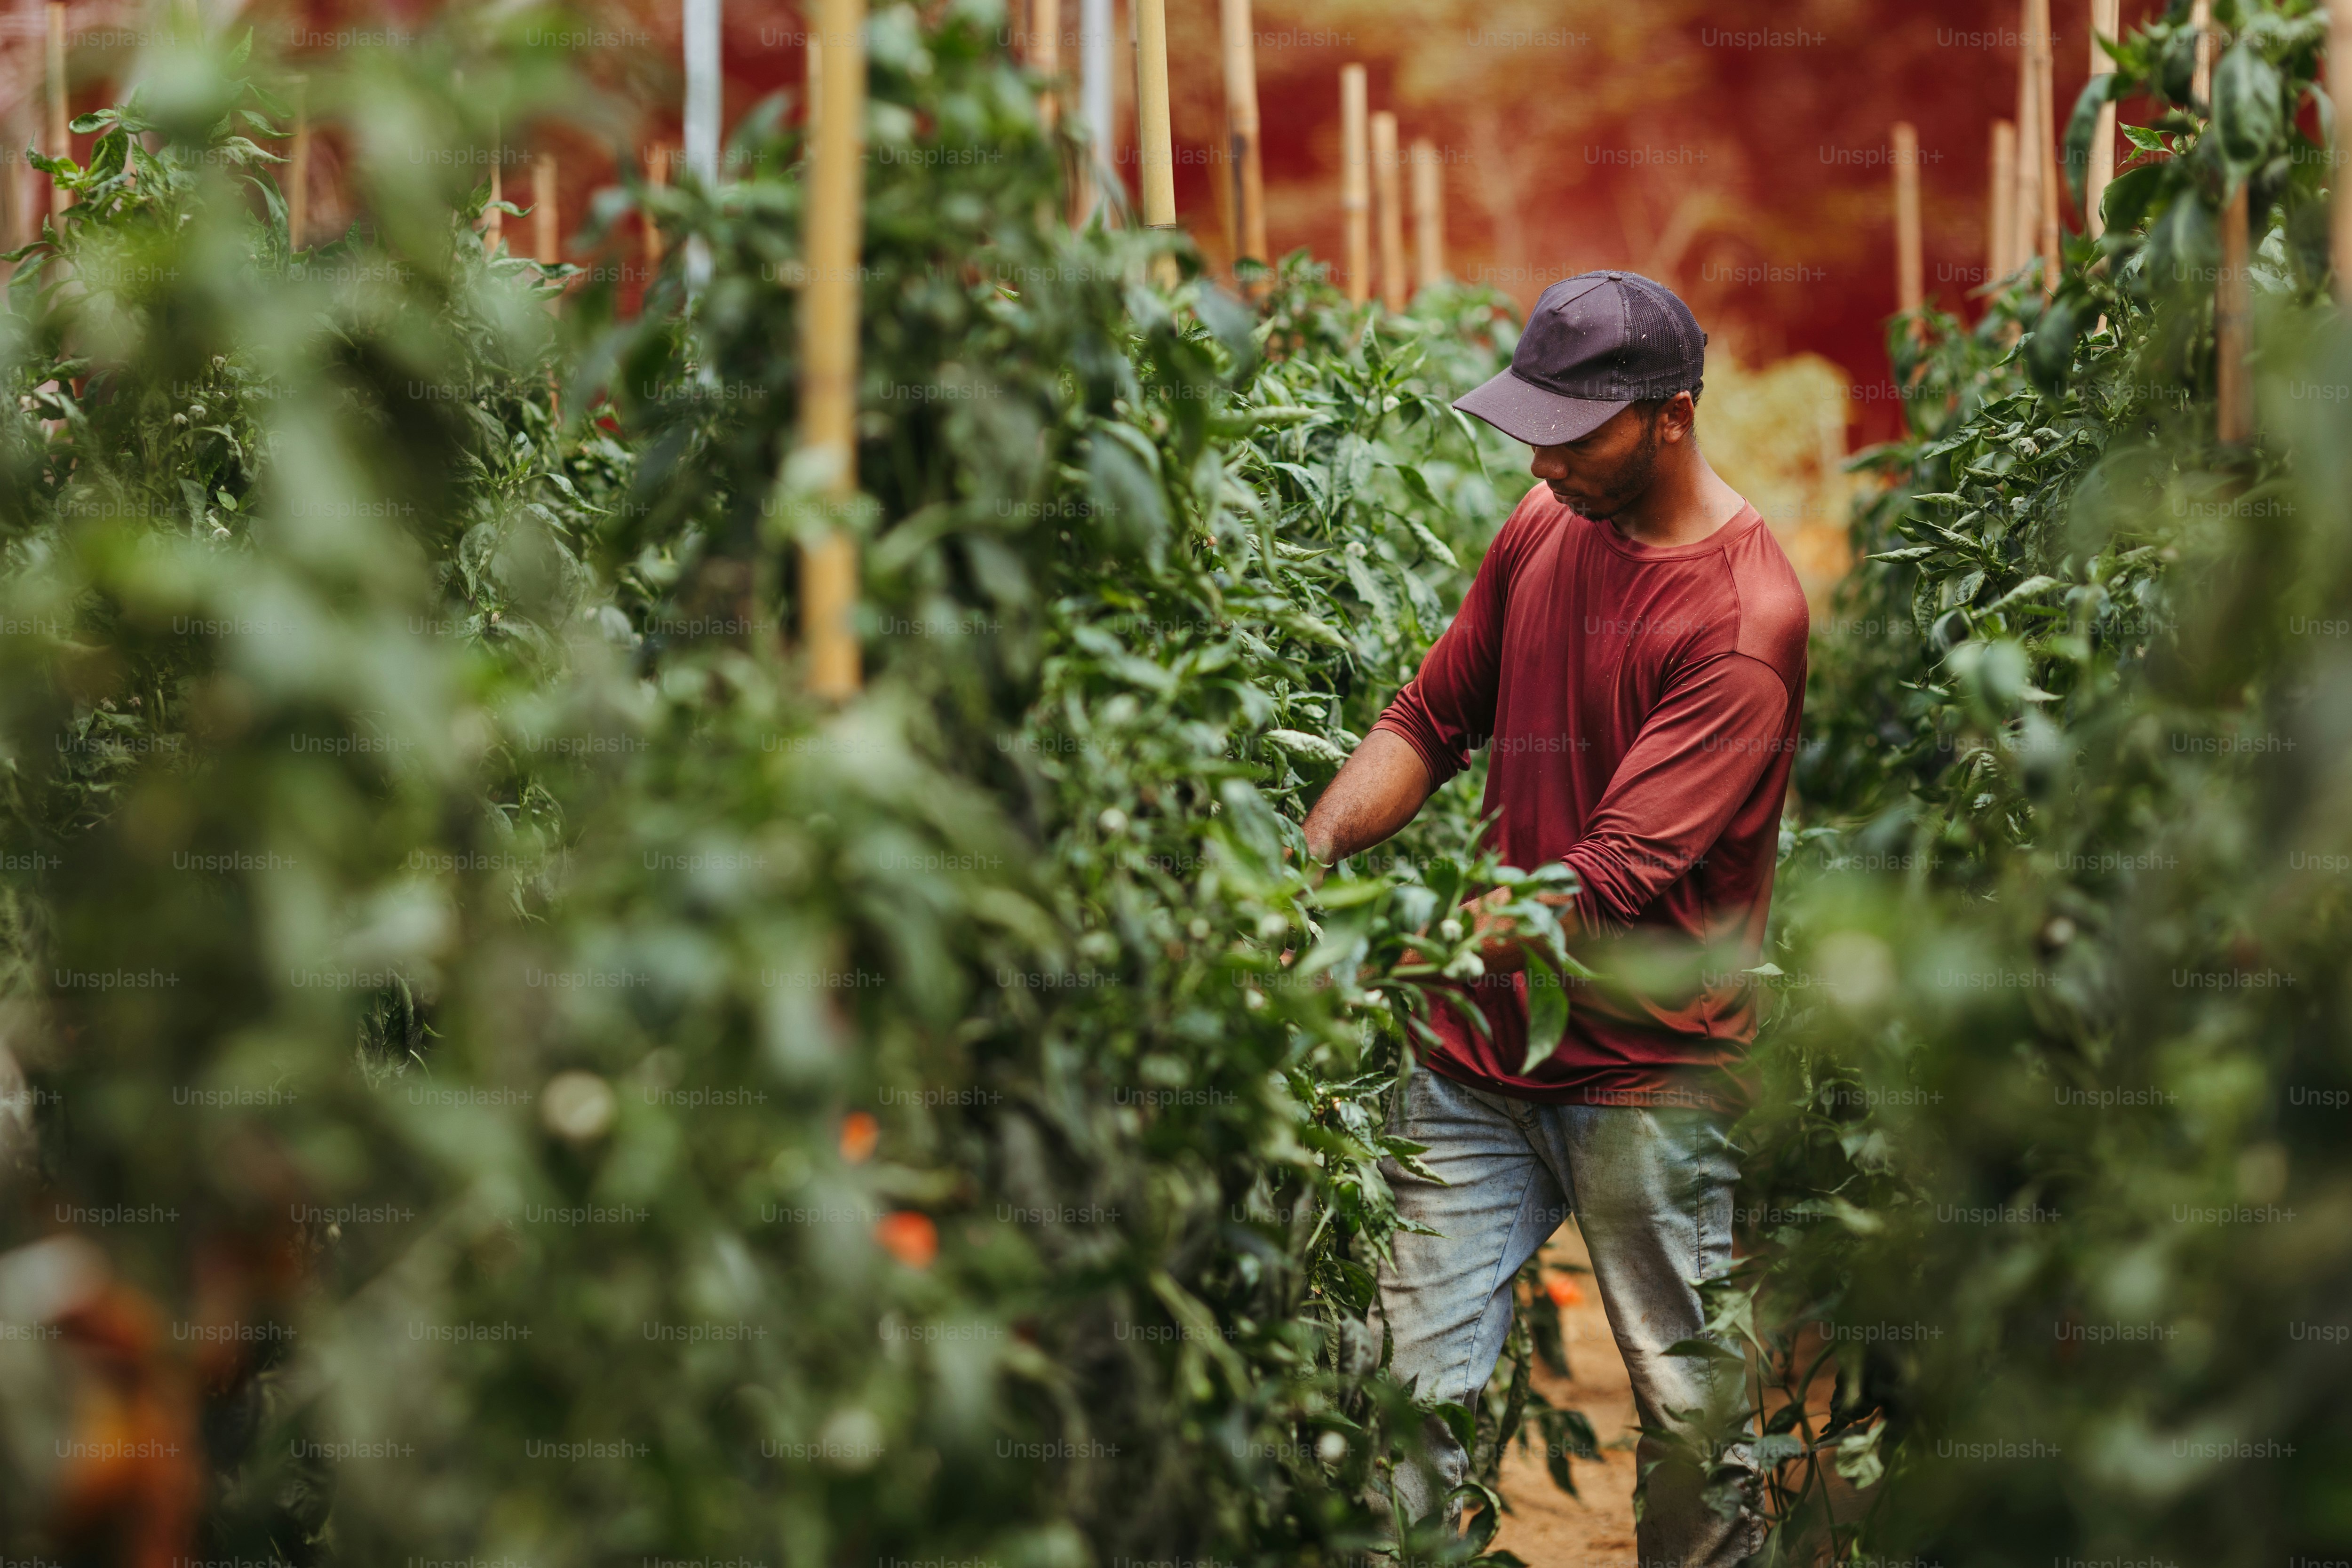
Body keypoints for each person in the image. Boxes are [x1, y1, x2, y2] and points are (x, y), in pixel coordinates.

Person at [1300, 271, 1805, 1567]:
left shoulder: (1743, 622)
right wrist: (1311, 855)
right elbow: (1430, 716)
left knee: (1693, 1424)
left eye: (1574, 435)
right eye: (1534, 427)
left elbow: (1606, 880)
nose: (1544, 458)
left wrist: (1382, 956)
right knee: (1407, 1395)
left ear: (1672, 419)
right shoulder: (1544, 524)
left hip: (1649, 1075)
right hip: (1480, 1058)